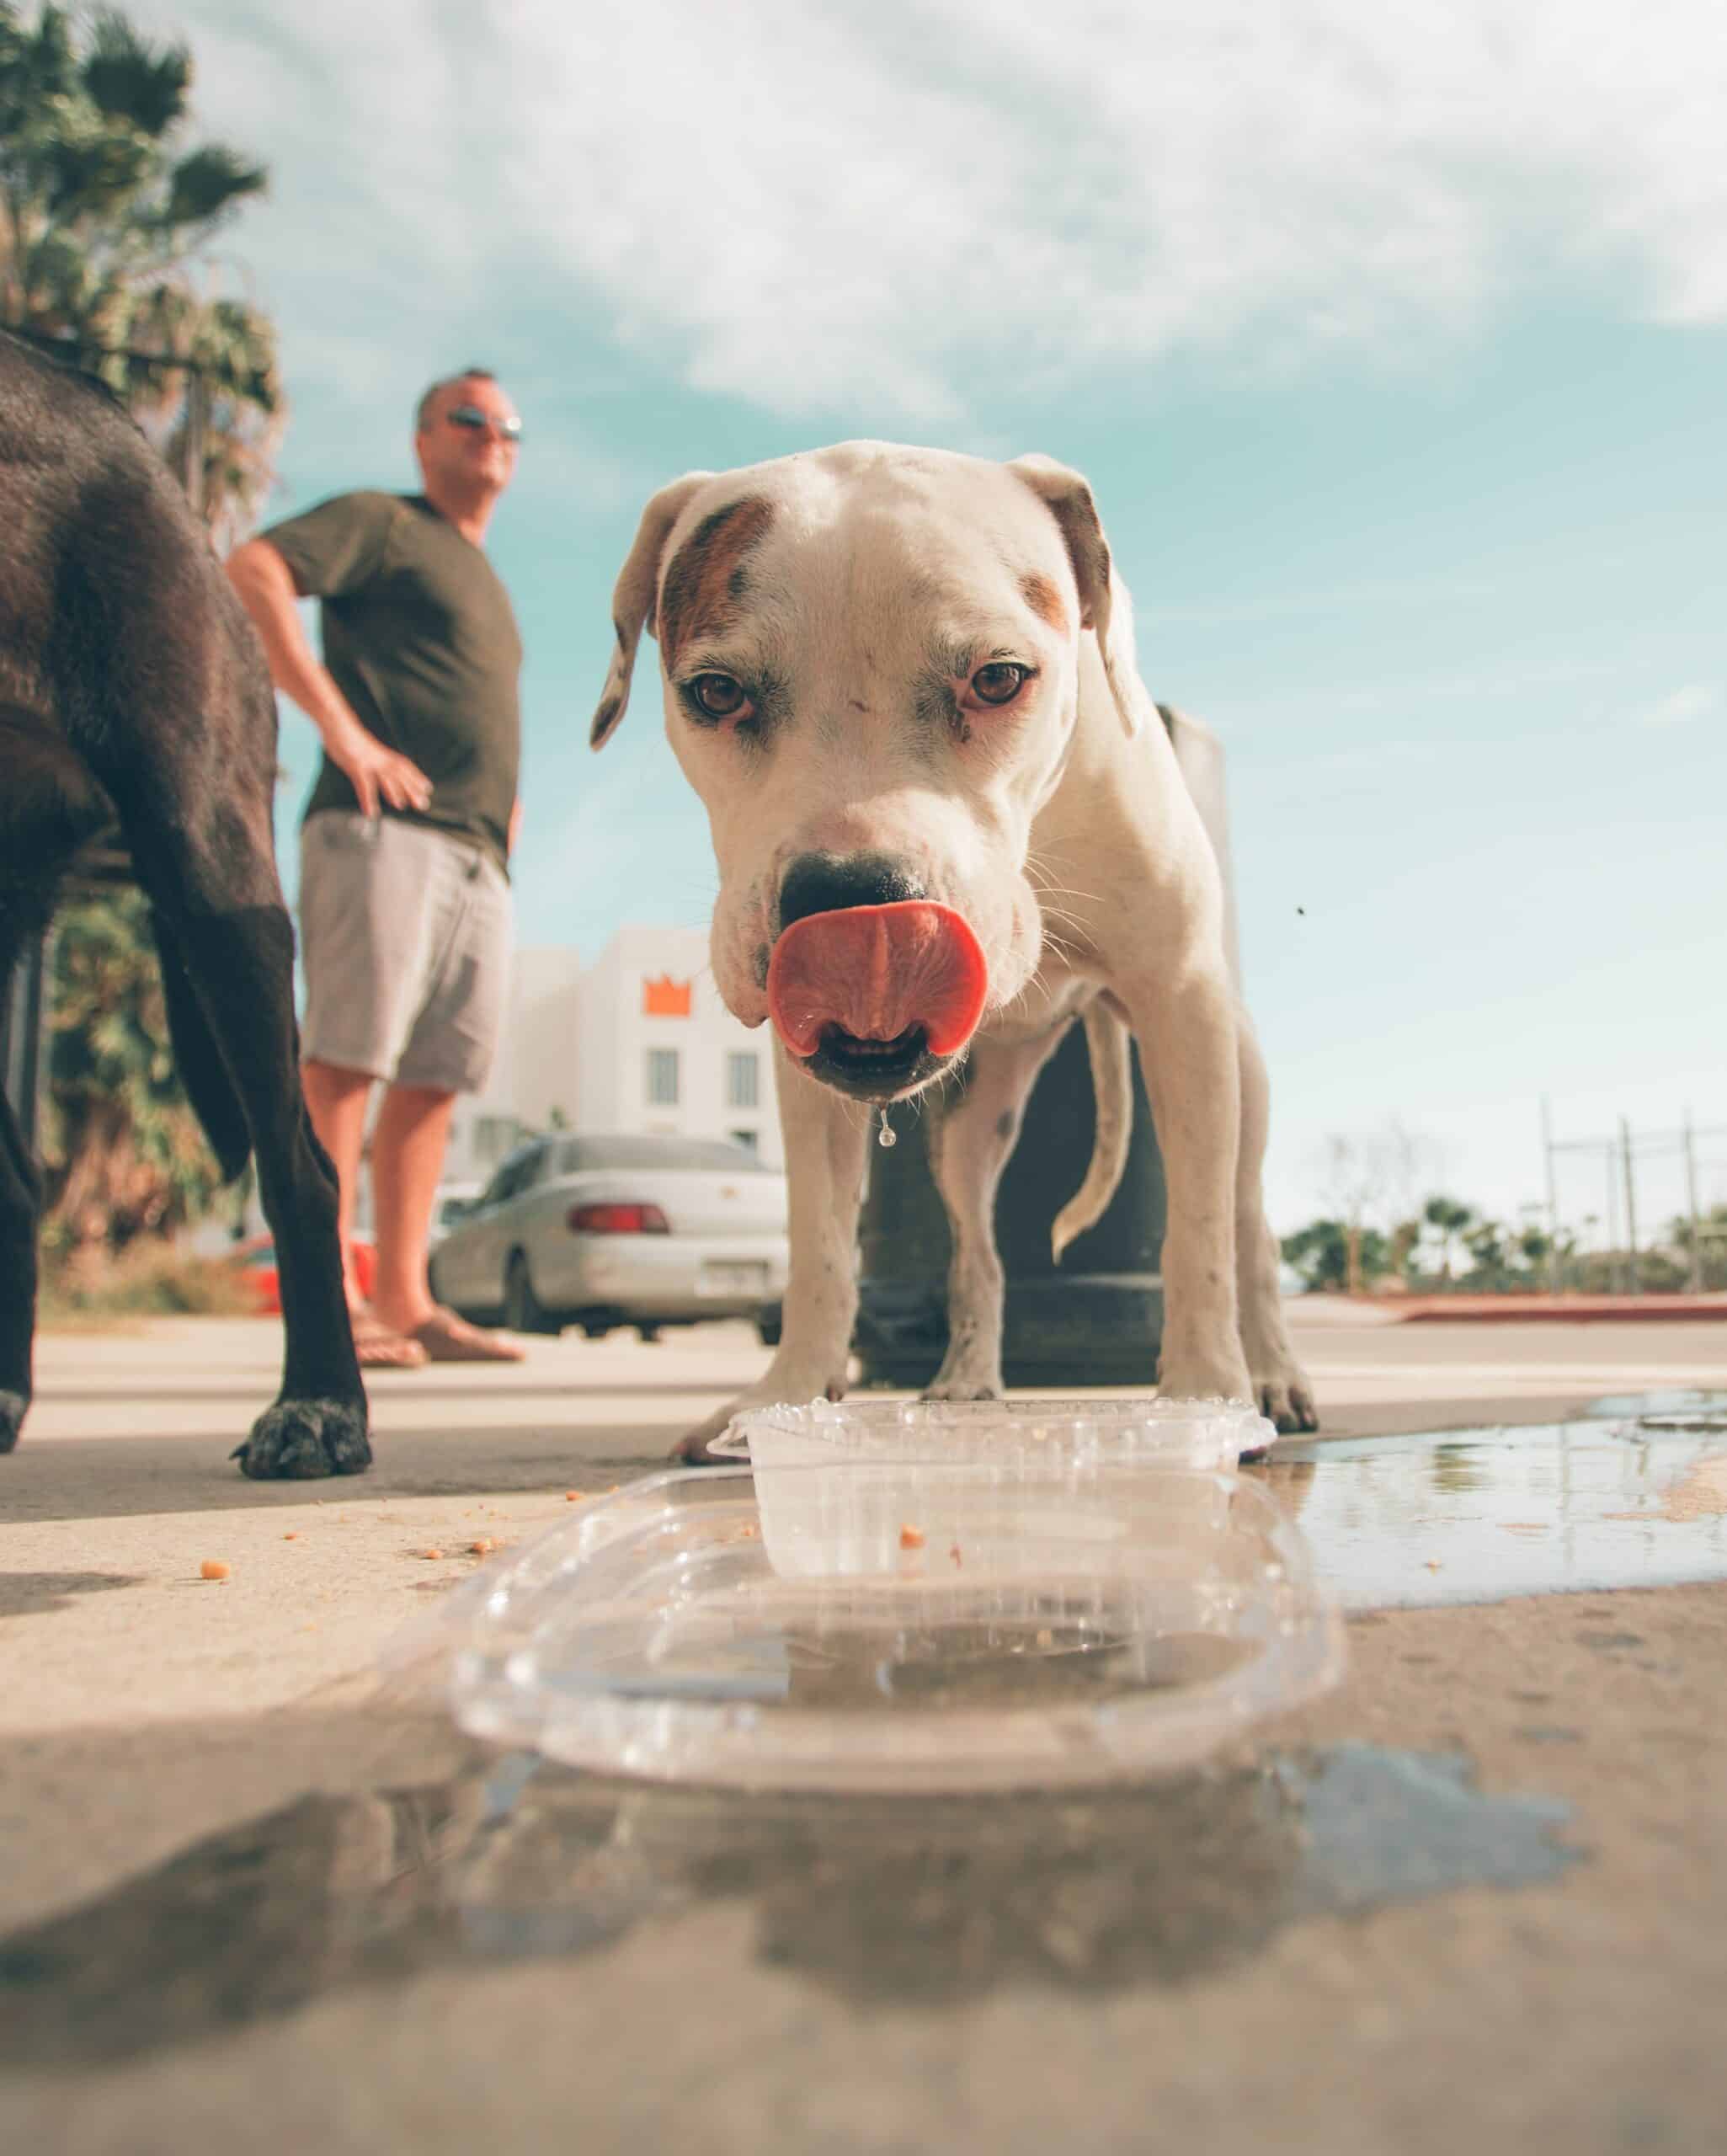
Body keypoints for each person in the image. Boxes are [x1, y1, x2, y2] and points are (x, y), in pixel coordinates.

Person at [227, 368, 527, 1367]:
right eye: (471, 419)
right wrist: (343, 732)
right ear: (422, 438)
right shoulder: (386, 524)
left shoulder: (481, 572)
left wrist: (506, 809)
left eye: (507, 428)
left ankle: (404, 1298)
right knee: (349, 1060)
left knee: (437, 1079)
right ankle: (327, 1297)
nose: (493, 437)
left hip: (477, 852)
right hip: (380, 830)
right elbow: (255, 569)